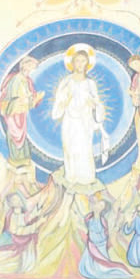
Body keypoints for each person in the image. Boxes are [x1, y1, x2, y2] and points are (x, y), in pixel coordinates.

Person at [51, 45, 107, 187]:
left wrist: (94, 105)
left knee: (84, 149)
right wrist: (65, 100)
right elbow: (57, 107)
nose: (80, 64)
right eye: (77, 61)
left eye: (83, 61)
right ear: (72, 63)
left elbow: (98, 105)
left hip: (85, 122)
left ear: (87, 63)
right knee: (70, 148)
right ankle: (71, 177)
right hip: (70, 121)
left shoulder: (90, 84)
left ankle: (86, 178)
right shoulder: (66, 82)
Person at [0, 56, 43, 166]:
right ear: (24, 66)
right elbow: (17, 99)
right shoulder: (17, 79)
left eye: (33, 68)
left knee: (21, 135)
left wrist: (34, 98)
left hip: (20, 114)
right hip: (14, 113)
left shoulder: (25, 80)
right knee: (15, 134)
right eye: (30, 67)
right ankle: (17, 160)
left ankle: (22, 159)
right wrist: (34, 100)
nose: (31, 70)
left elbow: (26, 95)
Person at [79, 195, 132, 279]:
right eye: (98, 204)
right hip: (91, 244)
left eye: (101, 206)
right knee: (86, 267)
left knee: (101, 268)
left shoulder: (103, 220)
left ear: (102, 210)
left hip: (99, 245)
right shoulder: (89, 217)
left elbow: (102, 233)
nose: (97, 206)